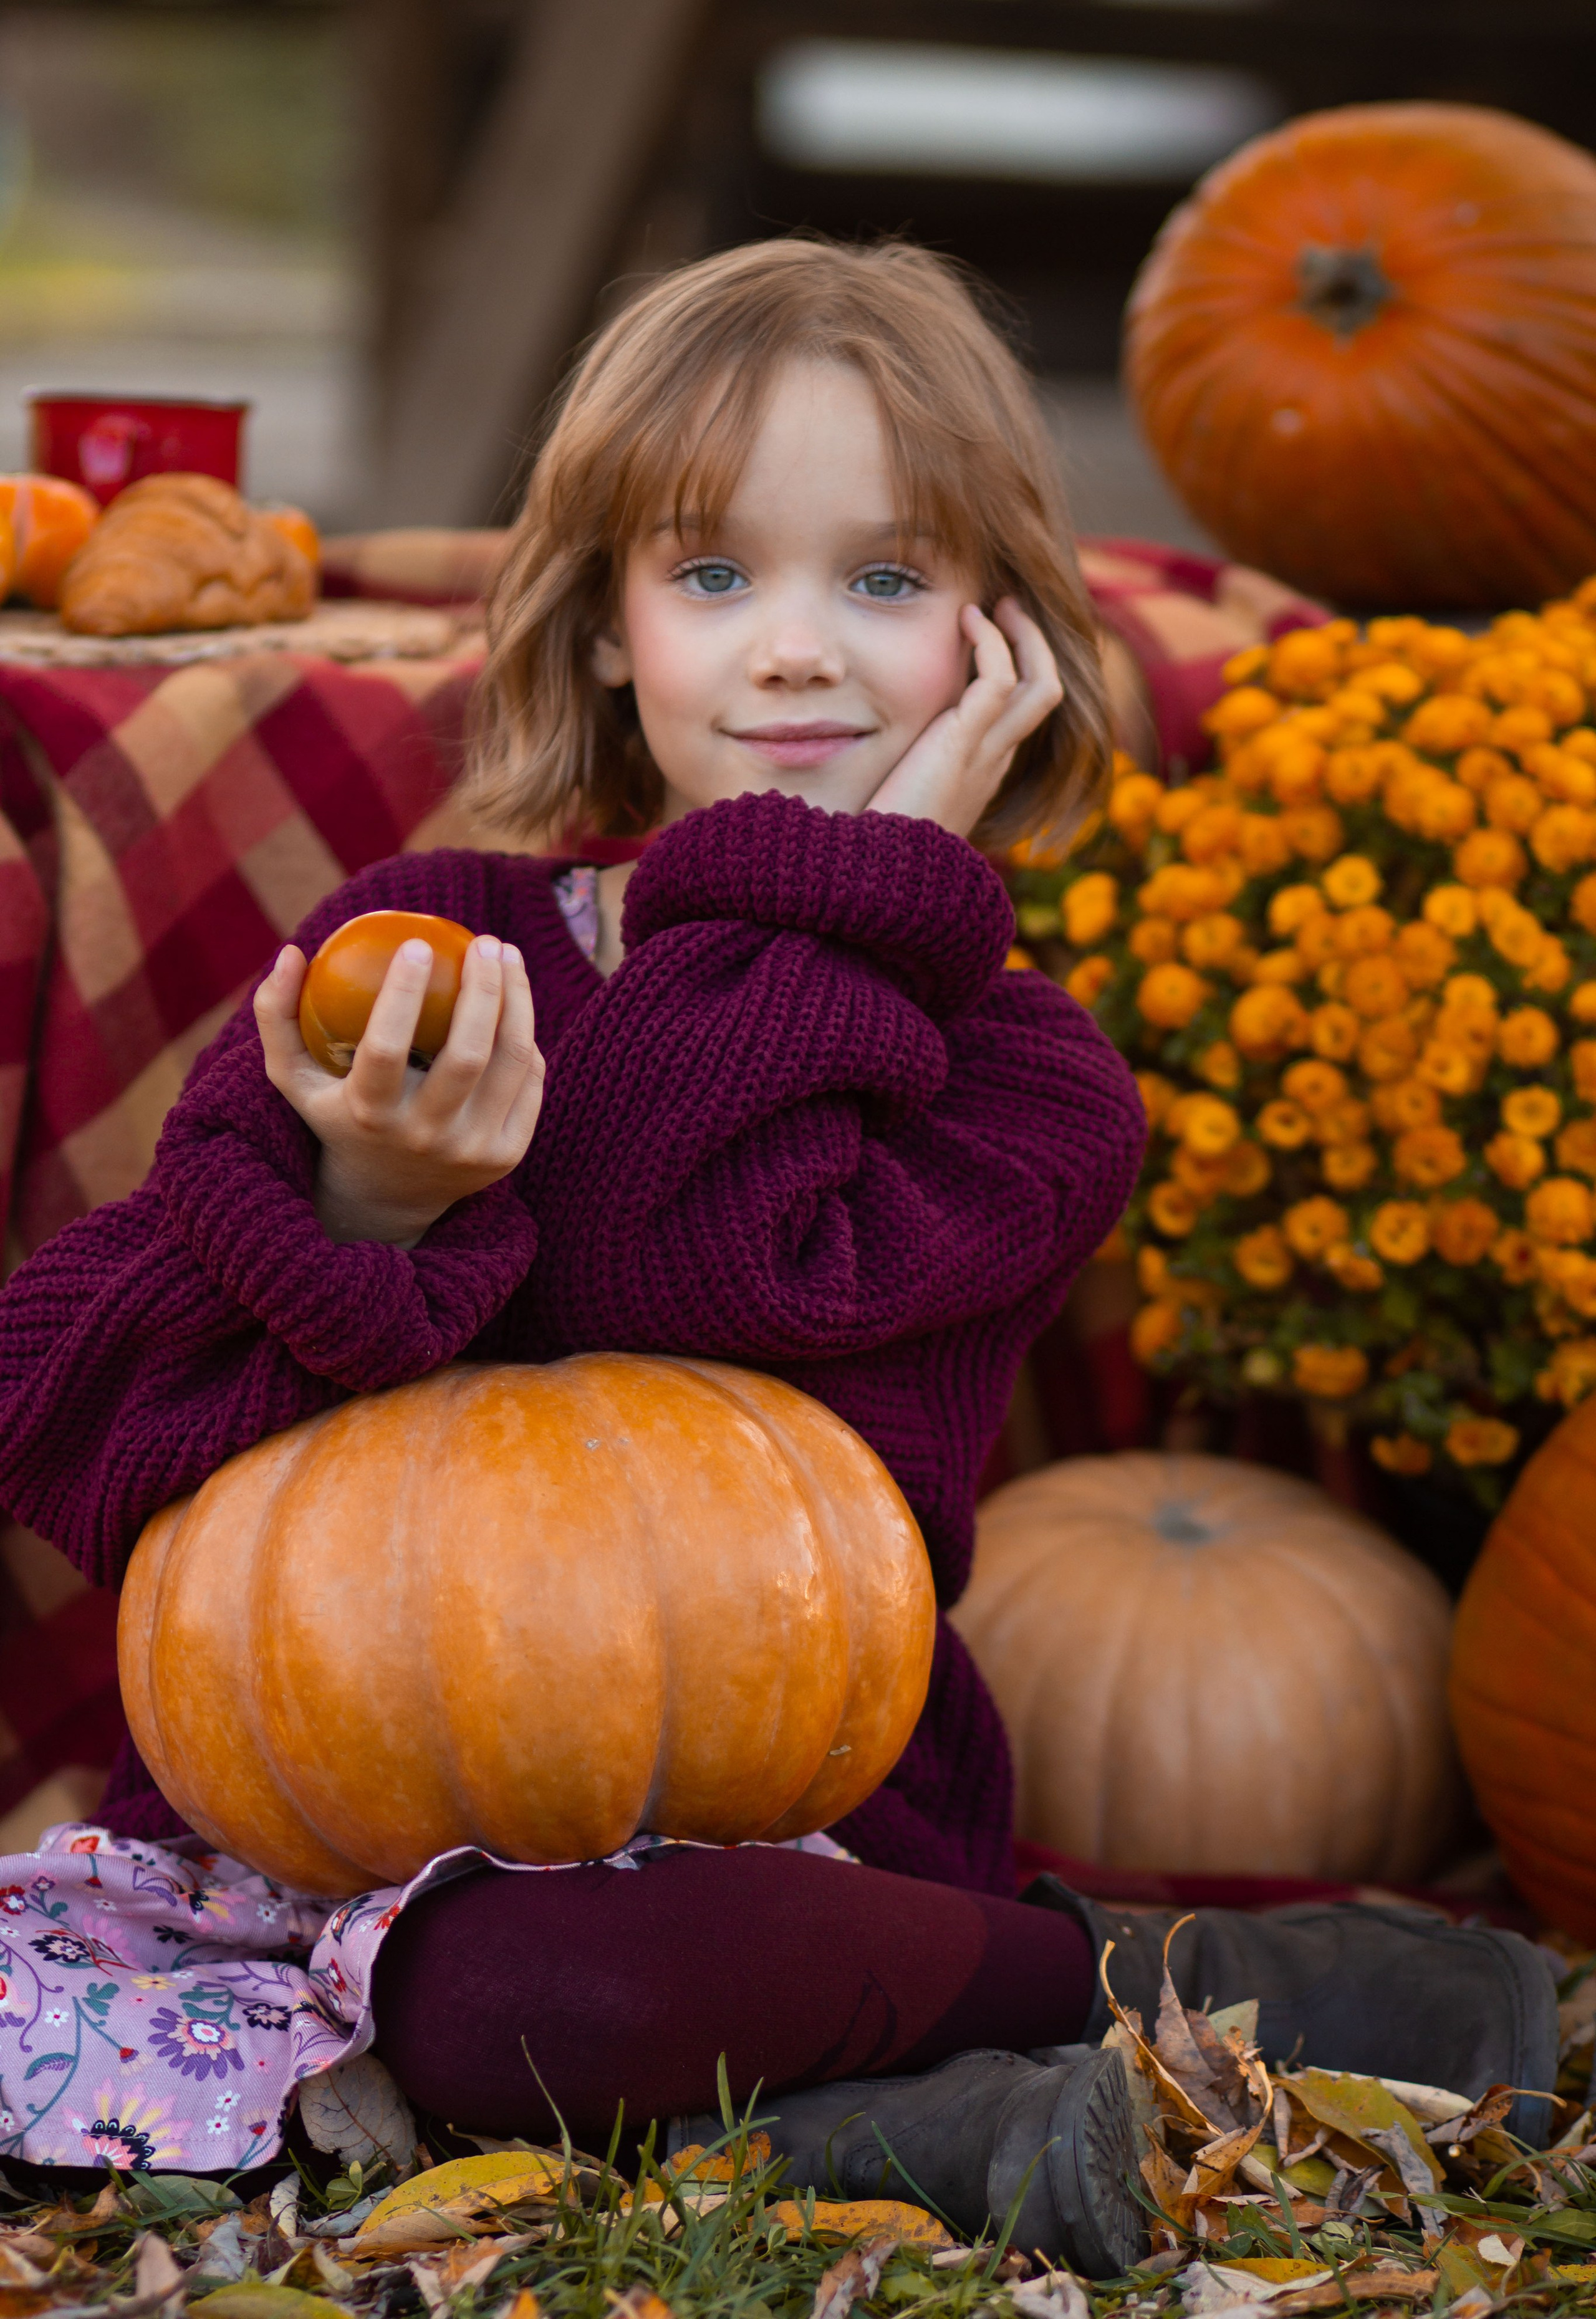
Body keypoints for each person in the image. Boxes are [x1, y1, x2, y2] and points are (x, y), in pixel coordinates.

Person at [0, 241, 1555, 2266]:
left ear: (1005, 654)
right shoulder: (436, 942)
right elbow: (60, 1406)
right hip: (321, 1816)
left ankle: (1056, 1988)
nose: (798, 652)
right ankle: (927, 2114)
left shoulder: (1026, 1083)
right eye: (714, 577)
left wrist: (834, 892)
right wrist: (360, 1206)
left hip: (768, 1827)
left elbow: (684, 1272)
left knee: (538, 1993)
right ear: (606, 629)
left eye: (887, 582)